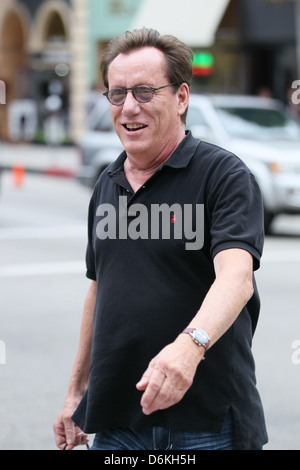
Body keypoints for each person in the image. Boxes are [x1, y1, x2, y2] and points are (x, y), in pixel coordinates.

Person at [54, 28, 268, 451]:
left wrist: (190, 347)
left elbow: (236, 277)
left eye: (145, 91)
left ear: (182, 97)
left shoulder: (223, 176)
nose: (129, 107)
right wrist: (76, 391)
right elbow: (100, 290)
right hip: (117, 423)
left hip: (208, 425)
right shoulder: (107, 183)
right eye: (117, 94)